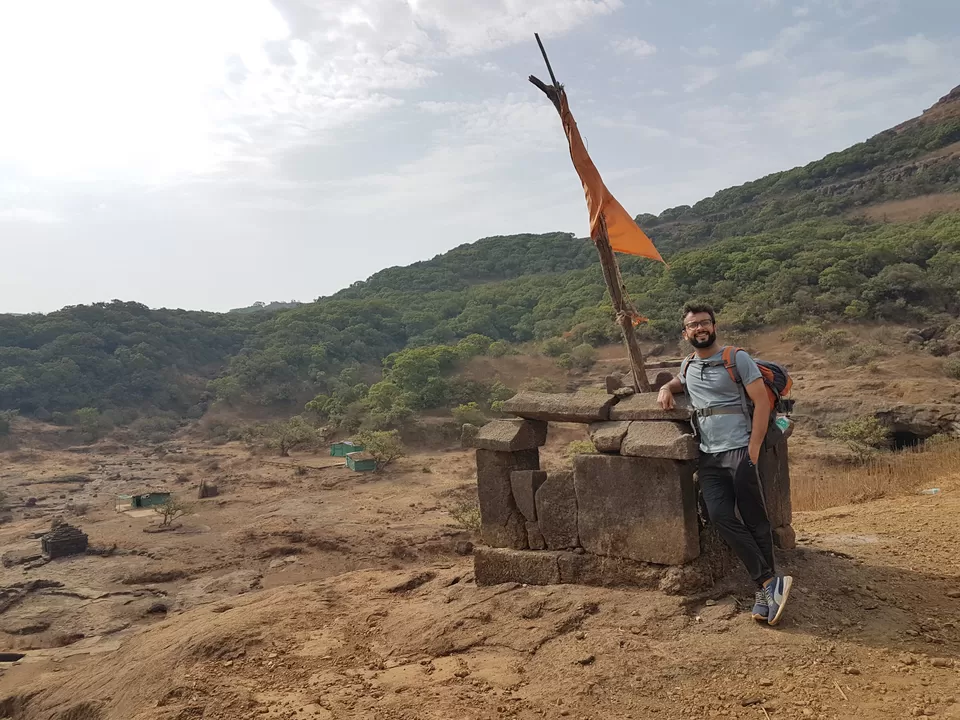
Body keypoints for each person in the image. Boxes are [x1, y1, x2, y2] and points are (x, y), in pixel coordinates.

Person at [657, 302, 793, 626]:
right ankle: (768, 583)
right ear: (685, 333)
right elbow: (679, 381)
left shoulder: (736, 358)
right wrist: (665, 387)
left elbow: (761, 403)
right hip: (709, 454)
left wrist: (753, 449)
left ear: (714, 327)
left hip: (740, 449)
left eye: (705, 323)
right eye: (693, 325)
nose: (700, 328)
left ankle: (764, 590)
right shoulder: (688, 364)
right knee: (719, 516)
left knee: (755, 519)